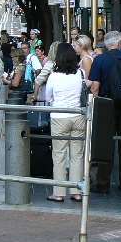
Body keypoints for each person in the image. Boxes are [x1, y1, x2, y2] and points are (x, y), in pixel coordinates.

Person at [89, 31, 121, 192]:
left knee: (104, 144)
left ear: (106, 44)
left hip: (105, 104)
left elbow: (95, 86)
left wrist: (95, 101)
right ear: (119, 43)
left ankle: (102, 183)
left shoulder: (100, 60)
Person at [44, 43, 86, 202]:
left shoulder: (54, 76)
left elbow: (48, 98)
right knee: (77, 155)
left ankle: (59, 193)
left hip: (59, 118)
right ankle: (76, 191)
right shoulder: (80, 73)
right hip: (78, 117)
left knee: (59, 155)